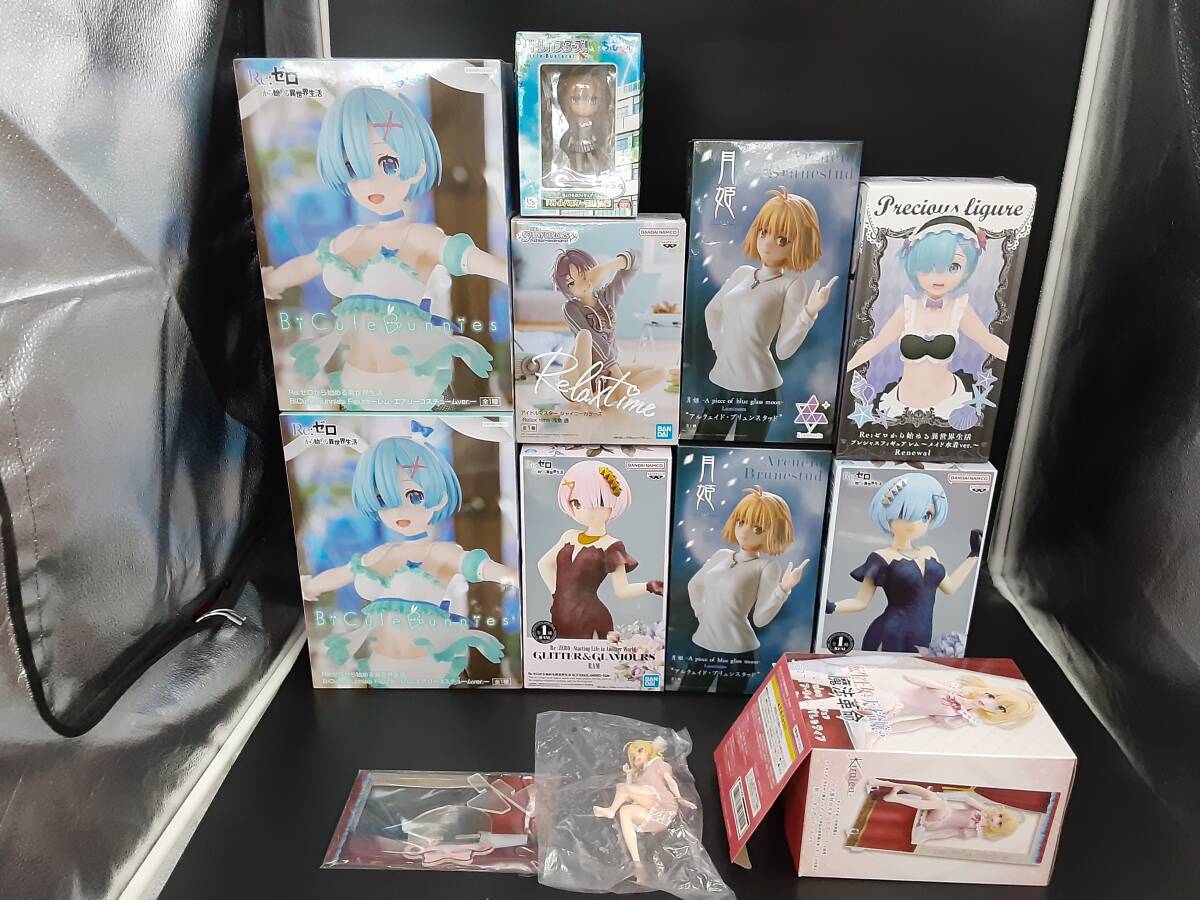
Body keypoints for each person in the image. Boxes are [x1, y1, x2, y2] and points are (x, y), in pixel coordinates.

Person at [680, 487, 808, 692]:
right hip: (704, 643)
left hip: (738, 651)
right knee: (686, 694)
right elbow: (694, 585)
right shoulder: (721, 555)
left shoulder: (766, 566)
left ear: (773, 532)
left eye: (757, 529)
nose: (744, 532)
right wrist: (702, 614)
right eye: (740, 522)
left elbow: (760, 619)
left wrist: (783, 588)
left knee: (728, 705)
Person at [537, 460, 663, 639]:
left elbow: (621, 590)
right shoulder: (569, 536)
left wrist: (649, 586)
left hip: (591, 617)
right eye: (577, 503)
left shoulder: (612, 546)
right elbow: (543, 564)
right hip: (560, 613)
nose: (586, 510)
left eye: (599, 502)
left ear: (614, 502)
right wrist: (557, 594)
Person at [592, 737, 697, 886]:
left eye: (639, 751)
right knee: (625, 811)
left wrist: (679, 798)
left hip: (663, 805)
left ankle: (610, 811)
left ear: (648, 750)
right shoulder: (639, 775)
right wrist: (629, 774)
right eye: (634, 757)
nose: (637, 757)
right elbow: (628, 796)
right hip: (654, 815)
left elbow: (670, 781)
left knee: (622, 788)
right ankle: (638, 865)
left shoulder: (658, 764)